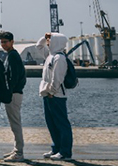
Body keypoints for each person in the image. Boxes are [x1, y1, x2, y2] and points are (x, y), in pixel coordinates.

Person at [36, 32, 72, 160]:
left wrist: (51, 92)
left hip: (56, 95)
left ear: (57, 41)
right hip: (48, 94)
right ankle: (56, 148)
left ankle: (65, 151)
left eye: (51, 40)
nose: (48, 42)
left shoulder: (59, 58)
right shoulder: (50, 55)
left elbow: (57, 78)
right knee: (51, 123)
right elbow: (38, 46)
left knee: (61, 123)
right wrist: (45, 36)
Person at [0, 32, 27, 162]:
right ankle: (16, 149)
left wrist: (8, 92)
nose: (3, 44)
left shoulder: (13, 56)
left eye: (6, 42)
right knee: (14, 123)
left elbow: (13, 77)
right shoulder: (11, 55)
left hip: (14, 94)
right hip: (14, 93)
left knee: (15, 123)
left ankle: (19, 152)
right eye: (2, 42)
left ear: (12, 42)